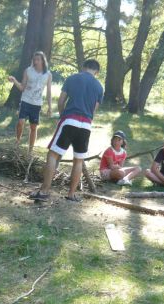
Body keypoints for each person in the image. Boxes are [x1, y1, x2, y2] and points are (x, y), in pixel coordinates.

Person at [29, 59, 104, 202]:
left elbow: (61, 101)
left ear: (83, 67)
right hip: (86, 125)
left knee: (53, 154)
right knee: (79, 160)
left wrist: (64, 115)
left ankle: (44, 191)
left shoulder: (72, 78)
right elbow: (94, 110)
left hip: (70, 119)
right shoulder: (99, 87)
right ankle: (71, 194)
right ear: (97, 72)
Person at [8, 51, 52, 157]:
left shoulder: (48, 74)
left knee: (33, 127)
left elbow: (48, 92)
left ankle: (30, 150)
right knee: (20, 122)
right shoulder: (28, 71)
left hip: (37, 104)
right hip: (25, 101)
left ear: (43, 61)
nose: (35, 61)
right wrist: (14, 80)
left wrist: (50, 107)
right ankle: (17, 141)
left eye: (38, 59)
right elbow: (22, 87)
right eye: (34, 59)